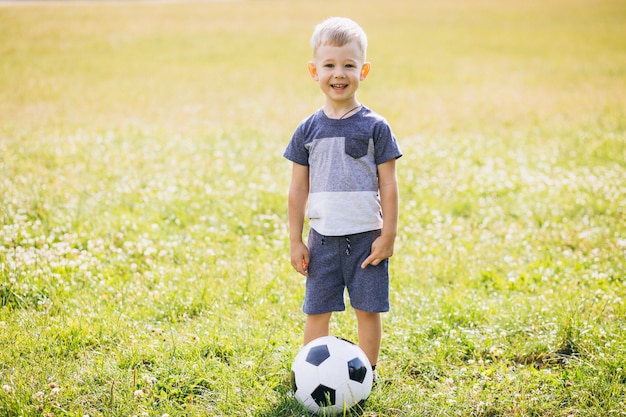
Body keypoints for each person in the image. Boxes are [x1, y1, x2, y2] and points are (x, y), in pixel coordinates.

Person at [283, 16, 402, 380]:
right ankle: (309, 374)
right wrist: (295, 240)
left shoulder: (375, 126)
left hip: (367, 239)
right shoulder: (308, 129)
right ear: (313, 70)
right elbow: (297, 189)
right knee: (317, 310)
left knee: (368, 309)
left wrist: (389, 234)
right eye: (330, 65)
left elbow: (389, 185)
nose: (339, 73)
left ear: (363, 70)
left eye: (349, 65)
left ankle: (368, 373)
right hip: (322, 240)